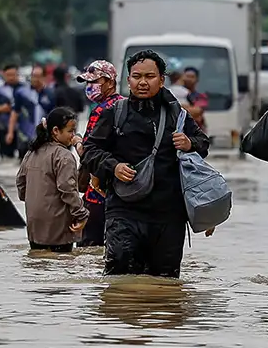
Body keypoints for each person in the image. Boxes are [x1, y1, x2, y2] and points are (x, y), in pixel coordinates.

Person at [80, 50, 211, 277]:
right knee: (119, 279)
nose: (142, 82)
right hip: (124, 211)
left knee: (165, 283)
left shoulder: (176, 114)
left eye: (149, 76)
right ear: (128, 80)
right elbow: (89, 151)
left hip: (168, 216)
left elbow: (203, 144)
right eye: (136, 76)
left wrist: (189, 143)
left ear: (161, 80)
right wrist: (113, 166)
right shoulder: (114, 114)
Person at [17, 108, 88, 252]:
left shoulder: (31, 152)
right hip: (58, 227)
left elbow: (21, 185)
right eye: (70, 131)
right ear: (56, 131)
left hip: (34, 226)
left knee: (38, 267)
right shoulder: (64, 156)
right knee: (60, 269)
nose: (73, 136)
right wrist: (82, 214)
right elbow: (68, 191)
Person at [74, 60, 121, 248]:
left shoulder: (100, 111)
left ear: (110, 82)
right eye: (88, 82)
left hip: (97, 193)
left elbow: (87, 152)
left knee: (89, 247)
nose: (90, 87)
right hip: (120, 192)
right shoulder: (125, 106)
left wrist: (76, 141)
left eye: (95, 82)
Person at [0, 64, 37, 159]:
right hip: (4, 126)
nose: (11, 77)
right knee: (7, 156)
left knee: (25, 156)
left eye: (13, 74)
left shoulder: (25, 90)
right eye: (8, 75)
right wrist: (2, 108)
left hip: (23, 127)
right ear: (3, 75)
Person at [179, 67, 208, 131]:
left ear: (197, 79)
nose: (189, 79)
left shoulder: (201, 96)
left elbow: (196, 111)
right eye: (187, 76)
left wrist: (179, 106)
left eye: (192, 77)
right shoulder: (173, 93)